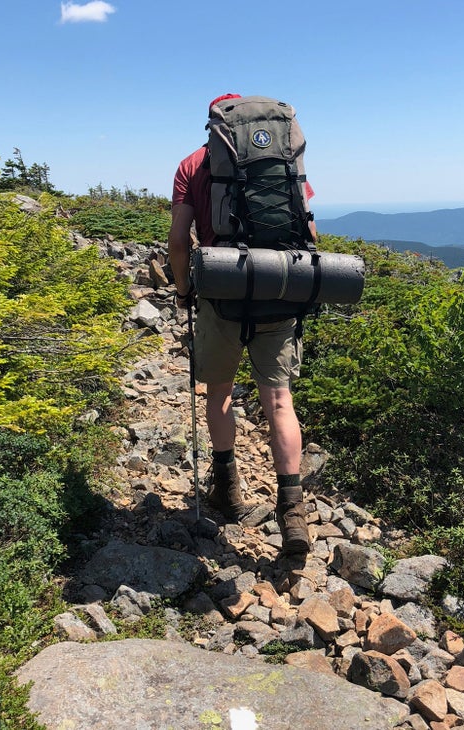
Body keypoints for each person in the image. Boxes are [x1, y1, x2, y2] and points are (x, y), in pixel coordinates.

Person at [168, 94, 316, 556]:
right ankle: (292, 512)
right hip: (277, 287)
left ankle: (227, 489)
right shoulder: (281, 157)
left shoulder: (192, 165)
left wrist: (184, 289)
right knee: (278, 399)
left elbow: (178, 241)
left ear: (214, 125)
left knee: (220, 392)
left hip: (221, 292)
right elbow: (308, 230)